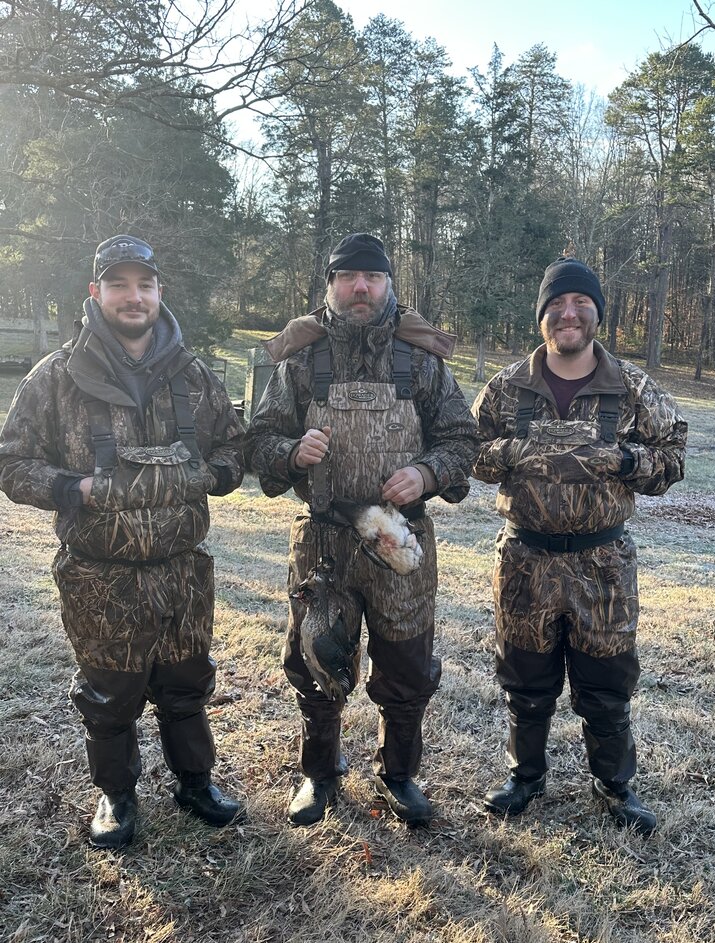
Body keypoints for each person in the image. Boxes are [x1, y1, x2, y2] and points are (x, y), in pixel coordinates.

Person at [0, 235, 245, 849]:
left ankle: (196, 783)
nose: (133, 297)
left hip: (183, 571)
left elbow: (235, 448)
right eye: (118, 285)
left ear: (159, 291)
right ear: (96, 292)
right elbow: (11, 463)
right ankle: (115, 794)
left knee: (187, 684)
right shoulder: (55, 377)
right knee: (109, 694)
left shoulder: (194, 375)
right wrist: (72, 487)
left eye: (144, 285)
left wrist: (211, 475)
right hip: (98, 573)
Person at [245, 232, 479, 826]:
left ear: (388, 285)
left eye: (372, 277)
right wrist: (291, 452)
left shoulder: (420, 361)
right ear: (330, 285)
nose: (360, 288)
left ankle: (398, 775)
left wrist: (426, 473)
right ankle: (319, 773)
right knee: (315, 662)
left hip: (400, 542)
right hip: (323, 541)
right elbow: (258, 441)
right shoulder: (302, 360)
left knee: (407, 666)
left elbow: (462, 440)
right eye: (348, 277)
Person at [472, 255, 687, 836]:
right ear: (541, 316)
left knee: (606, 684)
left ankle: (614, 786)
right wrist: (513, 454)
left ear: (597, 314)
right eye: (557, 304)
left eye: (581, 304)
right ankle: (525, 777)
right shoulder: (507, 387)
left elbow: (673, 457)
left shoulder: (631, 387)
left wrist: (624, 460)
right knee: (525, 679)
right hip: (525, 560)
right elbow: (468, 450)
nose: (569, 314)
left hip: (603, 564)